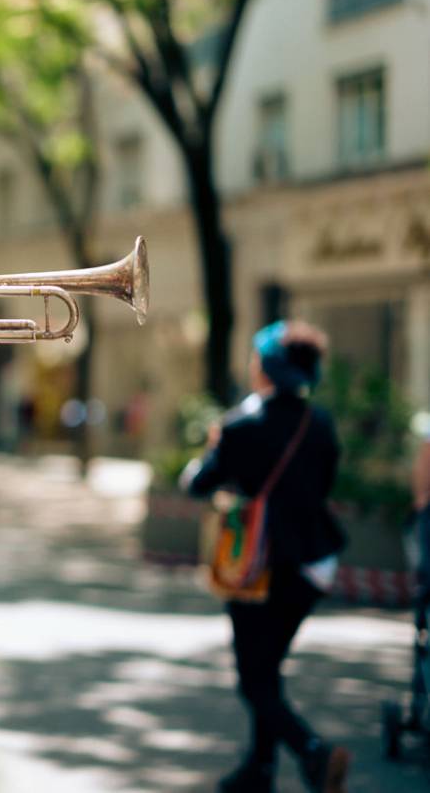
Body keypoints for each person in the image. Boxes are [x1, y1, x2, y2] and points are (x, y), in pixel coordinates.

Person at [181, 320, 350, 793]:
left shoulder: (241, 426)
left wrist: (214, 450)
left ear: (268, 367)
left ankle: (313, 753)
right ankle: (258, 771)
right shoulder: (320, 423)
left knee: (254, 680)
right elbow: (324, 485)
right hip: (313, 565)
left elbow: (196, 484)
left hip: (254, 565)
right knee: (267, 669)